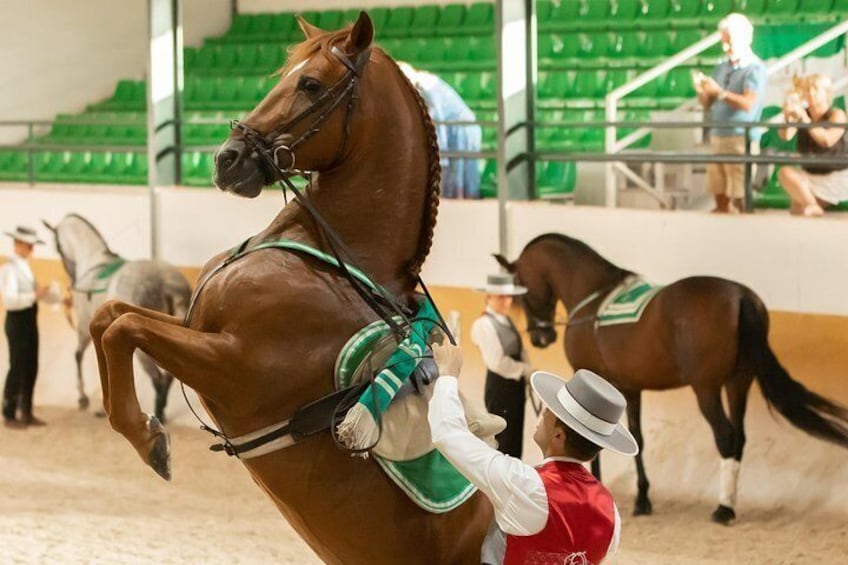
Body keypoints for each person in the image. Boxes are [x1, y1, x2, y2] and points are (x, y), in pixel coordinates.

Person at [427, 342, 638, 564]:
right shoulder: (610, 510)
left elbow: (449, 433)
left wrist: (447, 375)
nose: (541, 414)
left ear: (559, 436)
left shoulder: (526, 484)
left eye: (548, 411)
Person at [696, 13, 767, 214]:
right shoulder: (720, 66)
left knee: (740, 193)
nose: (727, 47)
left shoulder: (755, 69)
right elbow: (707, 103)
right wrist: (704, 92)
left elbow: (748, 104)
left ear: (746, 39)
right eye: (724, 42)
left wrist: (720, 93)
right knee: (717, 189)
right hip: (718, 133)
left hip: (740, 137)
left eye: (731, 42)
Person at [471, 274, 534, 458]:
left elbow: (520, 350)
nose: (507, 302)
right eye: (501, 297)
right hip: (501, 387)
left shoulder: (507, 321)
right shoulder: (483, 324)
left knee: (515, 436)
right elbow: (496, 362)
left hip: (516, 386)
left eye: (509, 297)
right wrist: (526, 370)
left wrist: (530, 373)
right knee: (503, 437)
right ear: (489, 297)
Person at [399, 62, 482, 199]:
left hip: (460, 129)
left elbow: (436, 120)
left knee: (457, 183)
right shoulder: (423, 81)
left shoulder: (423, 87)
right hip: (459, 127)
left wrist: (438, 155)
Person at [777, 74, 848, 216]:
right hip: (810, 174)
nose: (810, 93)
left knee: (799, 207)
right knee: (785, 174)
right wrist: (787, 116)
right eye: (807, 89)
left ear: (826, 93)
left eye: (815, 89)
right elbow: (785, 136)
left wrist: (804, 119)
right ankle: (813, 204)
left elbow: (827, 140)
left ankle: (812, 205)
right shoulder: (803, 113)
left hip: (835, 174)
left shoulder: (837, 114)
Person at [1, 226, 48, 429]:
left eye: (31, 246)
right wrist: (33, 296)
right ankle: (9, 413)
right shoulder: (9, 270)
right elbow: (10, 301)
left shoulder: (25, 269)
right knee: (17, 366)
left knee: (31, 366)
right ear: (18, 245)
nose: (30, 249)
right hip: (17, 321)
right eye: (28, 245)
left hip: (29, 321)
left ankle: (26, 410)